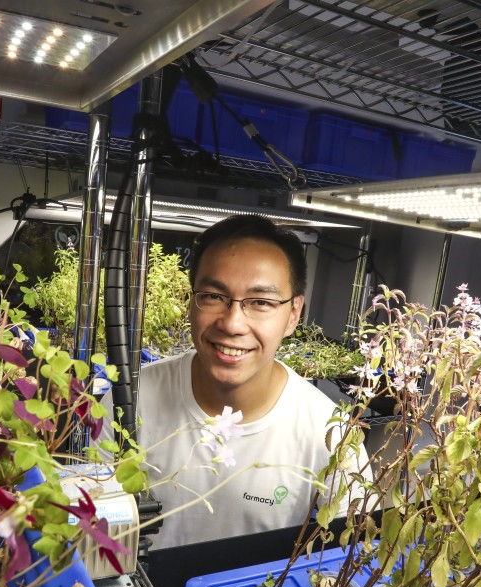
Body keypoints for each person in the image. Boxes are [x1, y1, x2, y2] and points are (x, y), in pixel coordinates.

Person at [134, 214, 373, 550]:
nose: (232, 323)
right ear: (191, 303)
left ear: (293, 315)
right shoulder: (132, 397)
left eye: (261, 302)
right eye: (214, 296)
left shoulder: (331, 436)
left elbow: (348, 563)